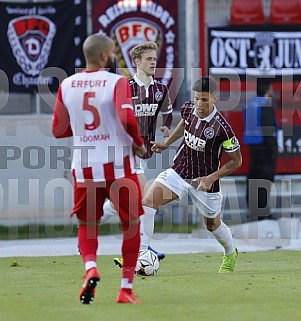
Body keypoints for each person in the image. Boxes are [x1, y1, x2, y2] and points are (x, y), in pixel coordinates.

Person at [52, 34, 147, 304]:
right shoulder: (117, 82)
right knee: (131, 225)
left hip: (84, 168)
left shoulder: (67, 85)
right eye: (113, 53)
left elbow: (57, 130)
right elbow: (127, 118)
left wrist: (82, 128)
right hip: (119, 166)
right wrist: (138, 144)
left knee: (87, 225)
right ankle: (125, 290)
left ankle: (91, 267)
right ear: (105, 56)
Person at [141, 77, 242, 273]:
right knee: (148, 204)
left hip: (204, 182)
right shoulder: (189, 108)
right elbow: (184, 124)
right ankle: (141, 254)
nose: (199, 104)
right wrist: (167, 143)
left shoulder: (223, 129)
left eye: (204, 100)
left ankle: (230, 252)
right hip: (180, 171)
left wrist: (211, 178)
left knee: (212, 225)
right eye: (197, 99)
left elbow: (237, 161)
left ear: (214, 98)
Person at [101, 41, 173, 263]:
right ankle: (140, 250)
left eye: (155, 59)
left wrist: (166, 126)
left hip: (143, 152)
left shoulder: (160, 89)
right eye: (149, 59)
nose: (153, 62)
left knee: (119, 203)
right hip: (123, 150)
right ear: (137, 62)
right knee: (143, 200)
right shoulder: (124, 88)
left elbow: (168, 113)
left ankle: (92, 221)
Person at [243, 78, 278, 221]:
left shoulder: (249, 105)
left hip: (253, 148)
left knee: (253, 178)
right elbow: (269, 131)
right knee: (265, 180)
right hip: (265, 147)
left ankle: (253, 211)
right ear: (268, 89)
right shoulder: (265, 106)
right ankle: (263, 213)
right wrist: (274, 152)